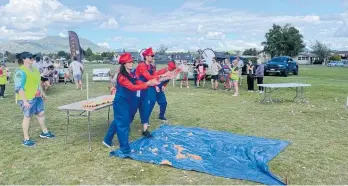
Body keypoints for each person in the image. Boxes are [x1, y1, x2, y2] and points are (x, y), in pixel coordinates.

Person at [103, 53, 159, 157]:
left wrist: (150, 82)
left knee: (119, 121)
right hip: (121, 102)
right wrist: (147, 84)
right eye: (129, 62)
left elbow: (137, 82)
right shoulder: (121, 77)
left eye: (132, 61)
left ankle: (107, 140)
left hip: (128, 101)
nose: (131, 63)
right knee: (123, 124)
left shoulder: (132, 73)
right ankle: (125, 149)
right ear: (124, 64)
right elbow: (132, 87)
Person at [14, 52, 55, 147]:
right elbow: (19, 87)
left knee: (41, 113)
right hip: (27, 98)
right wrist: (24, 101)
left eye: (33, 57)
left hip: (37, 96)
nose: (32, 58)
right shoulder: (20, 71)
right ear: (24, 59)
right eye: (30, 57)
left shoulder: (35, 70)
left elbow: (37, 84)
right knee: (27, 116)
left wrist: (43, 94)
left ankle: (45, 132)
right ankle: (26, 139)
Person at [135, 47, 170, 137]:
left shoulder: (151, 66)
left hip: (148, 86)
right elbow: (149, 77)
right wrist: (159, 81)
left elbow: (154, 75)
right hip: (140, 87)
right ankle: (143, 123)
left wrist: (165, 71)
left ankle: (145, 126)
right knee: (140, 106)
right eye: (151, 56)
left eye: (153, 56)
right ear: (146, 56)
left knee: (151, 102)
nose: (152, 57)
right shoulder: (141, 66)